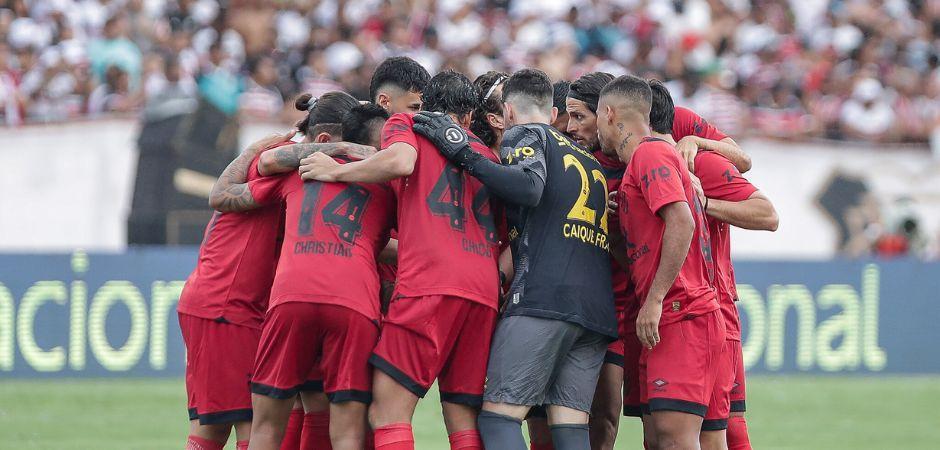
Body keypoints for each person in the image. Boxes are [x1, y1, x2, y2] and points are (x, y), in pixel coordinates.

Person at [412, 68, 617, 450]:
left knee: (498, 420)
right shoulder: (592, 164)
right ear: (555, 113)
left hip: (544, 299)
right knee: (570, 428)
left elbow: (527, 186)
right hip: (594, 311)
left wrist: (460, 151)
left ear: (507, 112)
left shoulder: (527, 133)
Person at [298, 70, 502, 450]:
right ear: (470, 118)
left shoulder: (406, 123)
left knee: (387, 413)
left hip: (431, 283)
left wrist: (337, 171)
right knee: (461, 417)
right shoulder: (487, 155)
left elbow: (400, 162)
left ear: (424, 105)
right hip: (483, 291)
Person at [209, 98, 395, 450]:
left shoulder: (300, 167)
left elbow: (225, 194)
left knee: (266, 427)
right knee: (347, 433)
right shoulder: (386, 181)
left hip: (291, 295)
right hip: (354, 301)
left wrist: (260, 147)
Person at [649, 80, 778, 450]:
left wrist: (702, 199)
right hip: (654, 307)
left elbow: (765, 209)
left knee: (724, 428)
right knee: (660, 433)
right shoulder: (611, 157)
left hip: (706, 304)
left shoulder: (684, 134)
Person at [597, 75, 723, 450]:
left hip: (681, 312)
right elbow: (643, 251)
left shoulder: (650, 153)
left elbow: (682, 220)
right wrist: (617, 235)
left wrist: (654, 300)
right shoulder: (643, 164)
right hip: (675, 313)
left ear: (608, 113)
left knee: (674, 440)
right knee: (657, 439)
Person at [177, 128, 298, 450]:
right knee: (251, 423)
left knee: (213, 427)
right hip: (226, 309)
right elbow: (270, 161)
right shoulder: (275, 181)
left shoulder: (255, 178)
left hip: (221, 306)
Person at [564, 71, 628, 450]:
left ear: (605, 115)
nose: (571, 127)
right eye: (569, 117)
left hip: (617, 304)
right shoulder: (561, 160)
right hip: (566, 302)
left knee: (605, 413)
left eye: (579, 118)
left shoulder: (629, 166)